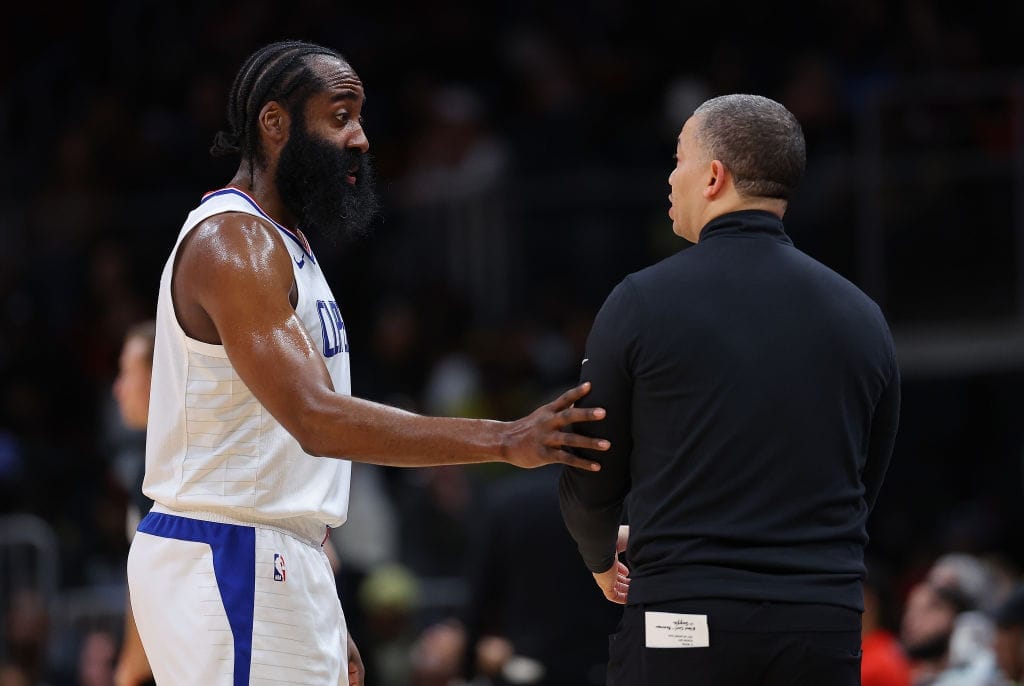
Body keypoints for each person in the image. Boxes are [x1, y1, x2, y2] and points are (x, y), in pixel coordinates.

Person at [126, 39, 610, 686]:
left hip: (272, 554)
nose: (360, 139)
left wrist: (319, 599)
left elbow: (282, 455)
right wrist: (505, 438)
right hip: (230, 554)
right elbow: (315, 418)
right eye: (339, 115)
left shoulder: (282, 244)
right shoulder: (232, 243)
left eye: (359, 117)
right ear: (275, 124)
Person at [559, 93, 901, 685]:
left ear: (714, 176)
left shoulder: (640, 301)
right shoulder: (863, 315)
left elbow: (591, 462)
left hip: (684, 618)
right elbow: (865, 476)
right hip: (822, 622)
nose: (670, 178)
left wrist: (598, 556)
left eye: (678, 159)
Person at [110, 321, 156, 686]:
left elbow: (149, 586)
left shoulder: (157, 468)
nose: (118, 388)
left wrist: (127, 673)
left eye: (127, 371)